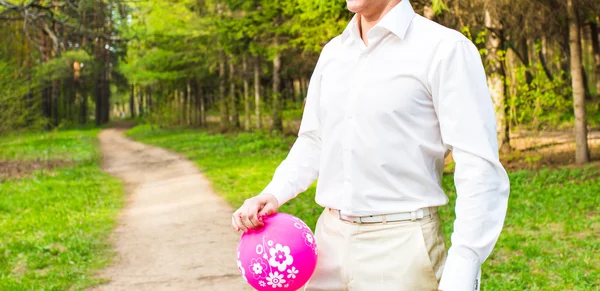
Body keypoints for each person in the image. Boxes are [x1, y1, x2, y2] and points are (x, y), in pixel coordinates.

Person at [231, 0, 510, 290]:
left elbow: (478, 164)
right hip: (328, 246)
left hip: (403, 250)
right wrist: (274, 192)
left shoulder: (444, 48)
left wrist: (464, 262)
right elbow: (315, 139)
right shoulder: (333, 53)